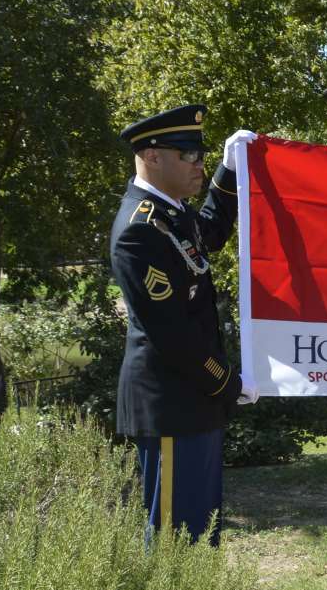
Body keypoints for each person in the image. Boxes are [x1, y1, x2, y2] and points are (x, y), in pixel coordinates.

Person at [110, 105, 257, 546]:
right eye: (187, 155)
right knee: (176, 539)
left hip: (193, 401)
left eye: (201, 155)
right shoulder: (139, 230)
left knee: (199, 533)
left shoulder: (170, 214)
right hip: (172, 404)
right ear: (152, 156)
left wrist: (229, 170)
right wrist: (228, 381)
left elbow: (210, 231)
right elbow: (172, 335)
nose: (198, 164)